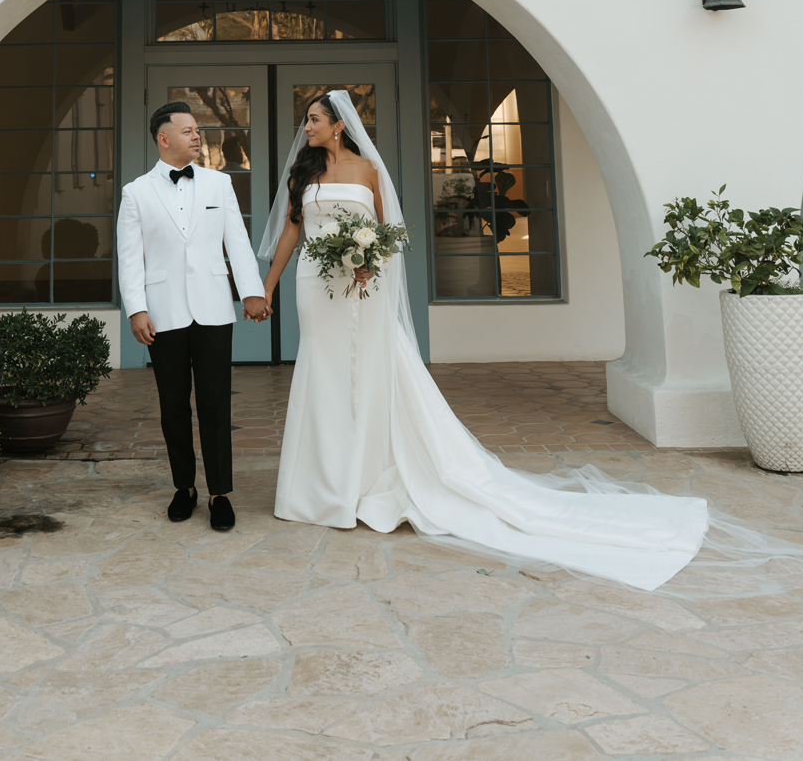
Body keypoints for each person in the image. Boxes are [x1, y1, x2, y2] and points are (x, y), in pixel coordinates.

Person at [259, 91, 710, 591]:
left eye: (314, 119)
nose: (307, 127)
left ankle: (357, 479)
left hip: (360, 285)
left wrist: (370, 264)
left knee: (362, 372)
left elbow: (388, 233)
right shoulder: (303, 175)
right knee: (320, 371)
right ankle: (316, 488)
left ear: (339, 126)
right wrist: (268, 286)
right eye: (307, 120)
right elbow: (289, 234)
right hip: (313, 286)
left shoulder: (368, 171)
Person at [117, 102, 269, 531]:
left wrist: (252, 292)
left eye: (197, 129)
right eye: (187, 130)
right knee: (173, 406)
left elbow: (237, 242)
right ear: (163, 139)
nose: (197, 135)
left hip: (214, 309)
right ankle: (184, 487)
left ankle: (221, 493)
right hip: (162, 313)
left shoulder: (220, 185)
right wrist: (137, 309)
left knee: (216, 404)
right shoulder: (137, 192)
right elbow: (131, 259)